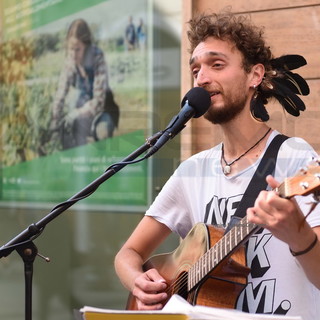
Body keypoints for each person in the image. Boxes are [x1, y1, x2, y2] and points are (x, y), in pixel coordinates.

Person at [114, 11, 320, 320]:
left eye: (217, 64)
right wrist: (139, 283)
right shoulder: (191, 171)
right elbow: (128, 255)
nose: (202, 77)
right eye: (196, 69)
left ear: (255, 75)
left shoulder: (295, 158)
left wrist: (299, 234)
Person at [52, 18, 119, 149]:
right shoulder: (70, 61)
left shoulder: (97, 56)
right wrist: (54, 121)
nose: (73, 54)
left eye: (77, 49)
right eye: (70, 49)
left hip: (104, 110)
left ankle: (104, 165)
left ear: (86, 46)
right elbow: (60, 93)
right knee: (68, 132)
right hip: (82, 110)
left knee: (102, 131)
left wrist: (75, 113)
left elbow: (99, 100)